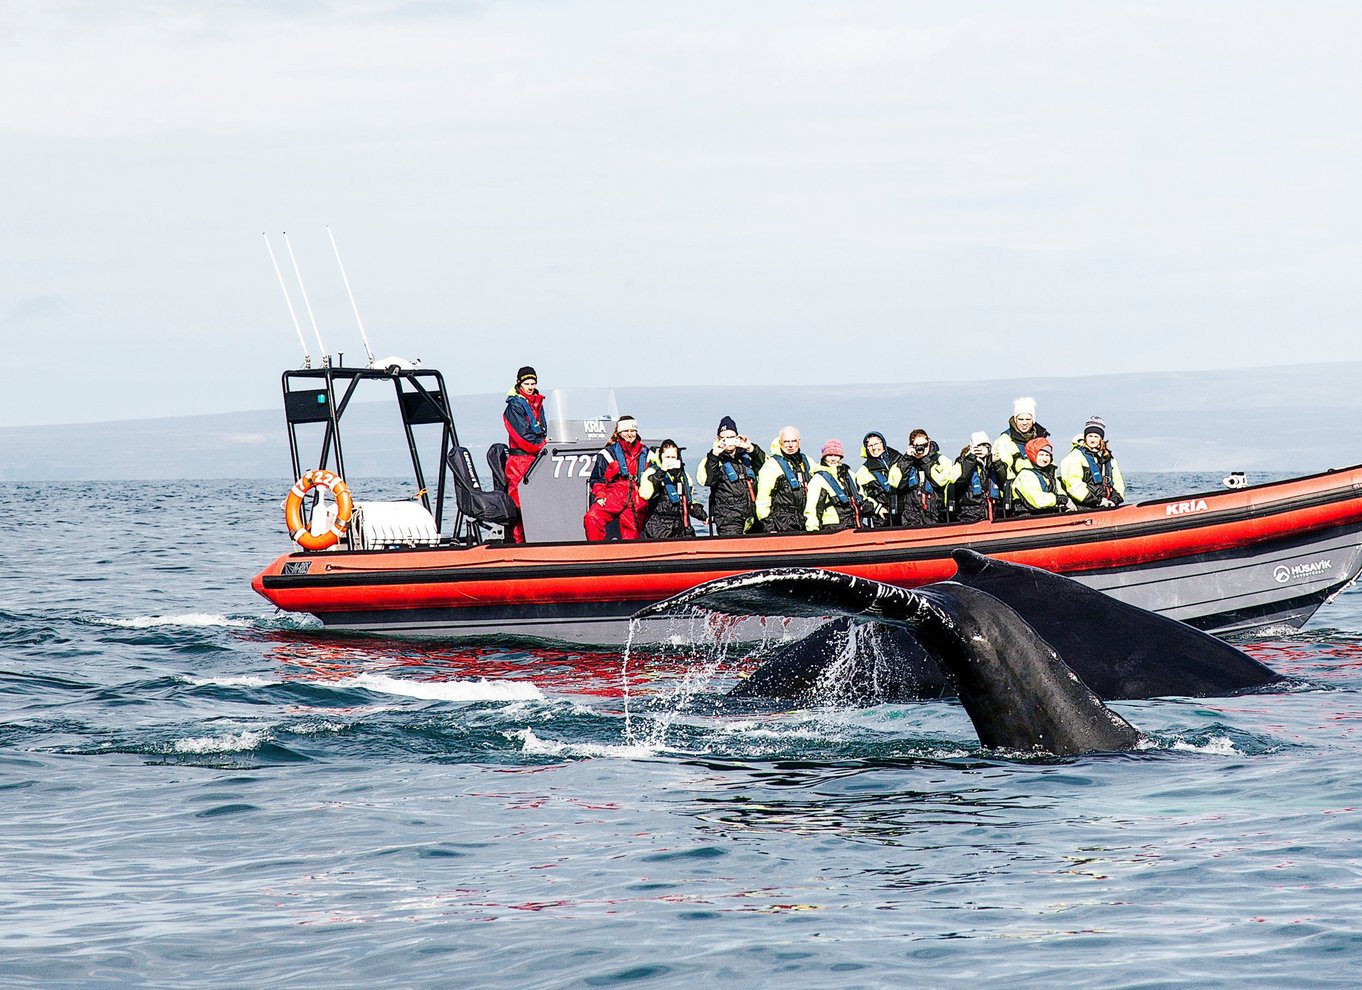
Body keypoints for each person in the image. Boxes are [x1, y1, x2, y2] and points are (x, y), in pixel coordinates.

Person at [583, 415, 650, 541]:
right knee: (592, 518)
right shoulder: (608, 453)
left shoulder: (647, 454)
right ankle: (597, 554)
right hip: (614, 495)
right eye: (626, 431)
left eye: (632, 431)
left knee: (633, 537)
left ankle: (631, 558)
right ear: (619, 432)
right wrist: (600, 495)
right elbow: (598, 478)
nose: (629, 434)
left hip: (637, 497)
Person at [696, 415, 765, 535]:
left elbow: (766, 468)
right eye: (724, 438)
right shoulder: (711, 459)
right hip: (728, 520)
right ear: (718, 439)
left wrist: (751, 449)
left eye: (731, 437)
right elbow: (707, 480)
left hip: (754, 517)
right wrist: (714, 455)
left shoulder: (747, 456)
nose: (728, 441)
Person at [502, 365, 547, 543]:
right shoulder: (514, 407)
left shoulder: (537, 402)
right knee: (521, 506)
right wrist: (544, 446)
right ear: (519, 383)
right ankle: (518, 544)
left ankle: (536, 541)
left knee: (536, 505)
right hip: (519, 462)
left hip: (537, 460)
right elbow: (523, 438)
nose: (530, 386)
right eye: (527, 383)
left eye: (533, 383)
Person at [636, 439, 702, 539]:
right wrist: (661, 472)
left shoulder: (683, 476)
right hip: (658, 528)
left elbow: (688, 501)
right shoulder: (651, 472)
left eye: (673, 457)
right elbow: (646, 494)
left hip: (680, 528)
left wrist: (702, 515)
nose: (670, 460)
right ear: (661, 456)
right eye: (667, 457)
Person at [755, 426, 813, 533]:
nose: (790, 445)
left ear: (799, 442)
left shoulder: (808, 462)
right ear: (780, 442)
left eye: (793, 441)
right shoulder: (771, 466)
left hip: (805, 521)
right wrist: (769, 527)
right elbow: (763, 499)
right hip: (781, 522)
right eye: (786, 441)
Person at [805, 440, 872, 532]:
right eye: (829, 455)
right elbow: (812, 509)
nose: (833, 459)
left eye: (836, 455)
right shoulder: (818, 480)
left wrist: (877, 508)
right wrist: (813, 531)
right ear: (824, 457)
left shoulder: (850, 475)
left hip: (855, 526)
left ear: (841, 457)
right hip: (832, 530)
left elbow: (862, 497)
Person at [1061, 416, 1126, 510]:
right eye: (1090, 436)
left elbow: (1117, 482)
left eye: (1096, 436)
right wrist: (1097, 501)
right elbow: (1073, 484)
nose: (1093, 439)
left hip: (1107, 503)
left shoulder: (1108, 458)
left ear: (1101, 439)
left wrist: (1114, 500)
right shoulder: (1076, 456)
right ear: (1085, 437)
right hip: (1086, 505)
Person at [899, 428, 959, 527]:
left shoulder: (941, 460)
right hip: (911, 513)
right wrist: (907, 459)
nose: (921, 449)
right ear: (911, 446)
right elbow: (899, 484)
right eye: (917, 446)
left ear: (929, 442)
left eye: (924, 445)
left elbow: (939, 482)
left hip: (934, 511)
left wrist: (924, 460)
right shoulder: (906, 461)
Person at [949, 431, 1011, 524]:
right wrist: (971, 459)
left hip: (994, 515)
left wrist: (997, 464)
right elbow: (959, 484)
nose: (981, 449)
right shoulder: (962, 462)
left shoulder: (994, 464)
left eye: (985, 445)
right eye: (978, 446)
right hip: (970, 515)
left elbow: (1004, 484)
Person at [1012, 437, 1076, 515]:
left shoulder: (1049, 473)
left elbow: (1059, 492)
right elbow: (1038, 501)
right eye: (1041, 455)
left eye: (1047, 455)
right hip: (1028, 517)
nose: (1045, 459)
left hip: (1047, 513)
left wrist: (1066, 504)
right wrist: (1059, 499)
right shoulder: (1025, 475)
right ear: (1033, 455)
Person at [994, 396, 1051, 480]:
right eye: (1021, 419)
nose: (1024, 423)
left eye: (1028, 419)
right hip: (1017, 489)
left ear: (1033, 420)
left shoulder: (1041, 438)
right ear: (1015, 419)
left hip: (1041, 487)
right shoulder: (1004, 440)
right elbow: (1005, 474)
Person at [853, 431, 900, 527]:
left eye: (876, 444)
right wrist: (877, 508)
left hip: (905, 513)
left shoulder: (899, 459)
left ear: (883, 443)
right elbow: (859, 496)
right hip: (881, 517)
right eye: (870, 446)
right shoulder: (863, 471)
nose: (874, 448)